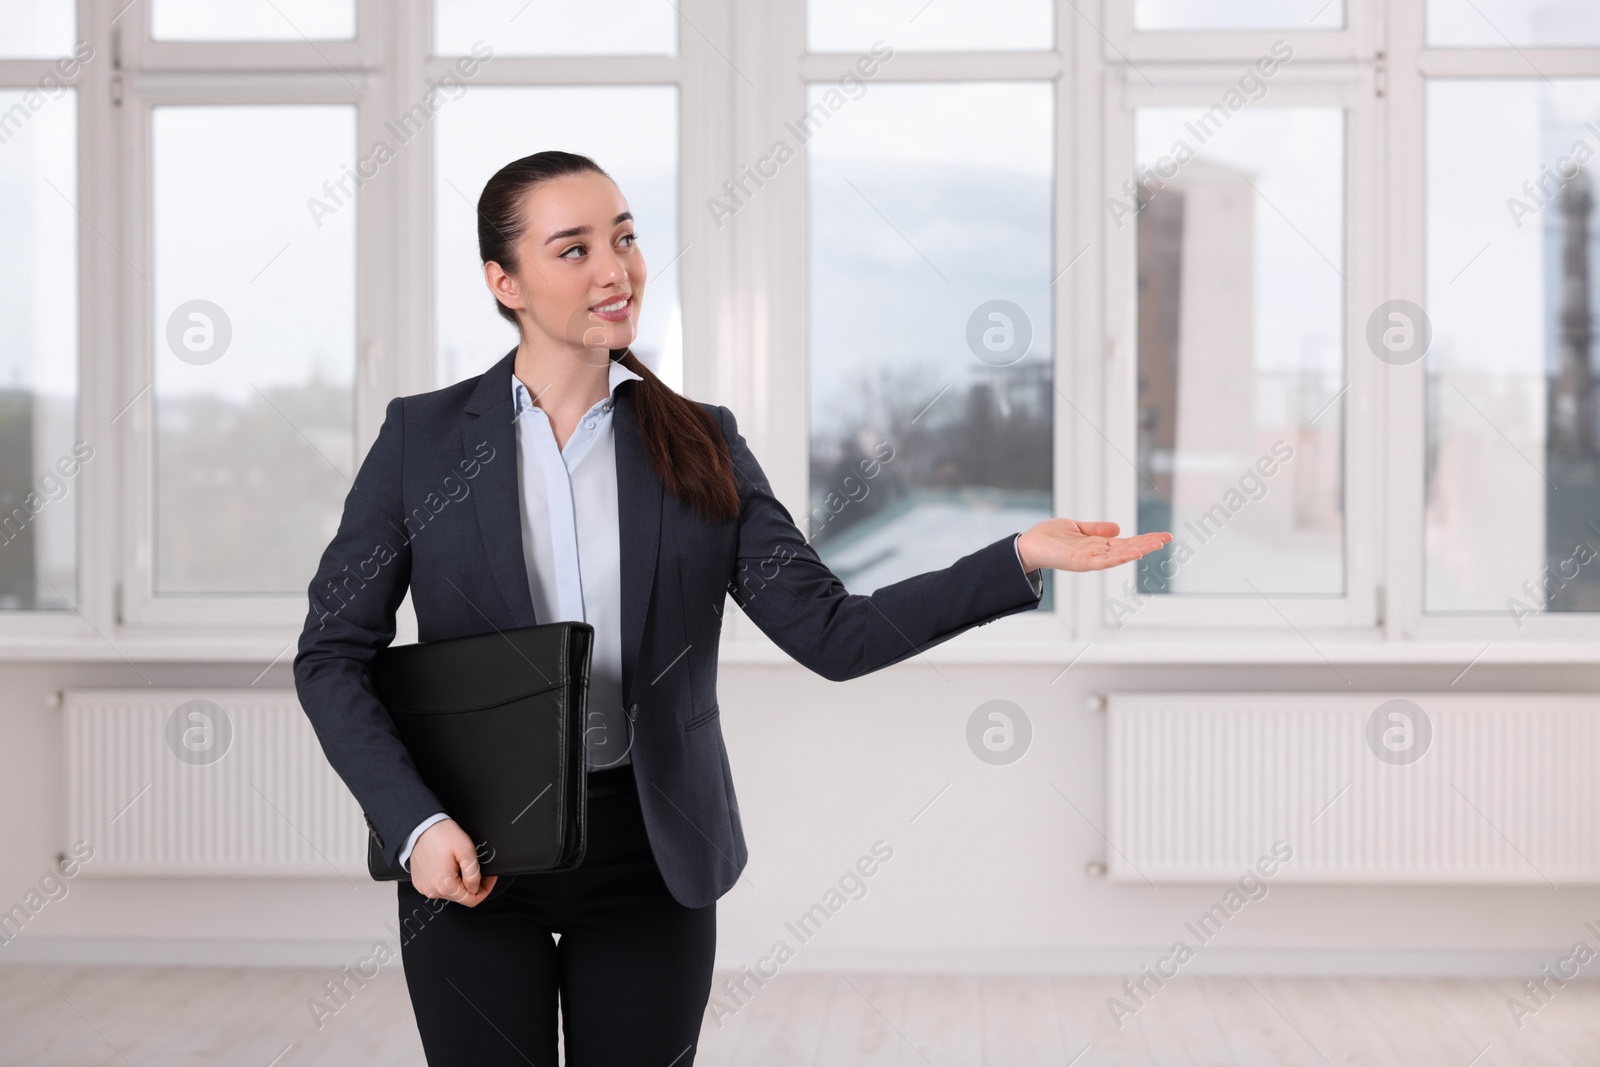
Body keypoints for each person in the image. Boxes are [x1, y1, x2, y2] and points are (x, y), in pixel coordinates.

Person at [292, 150, 1173, 1066]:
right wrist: (415, 824)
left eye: (625, 238)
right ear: (503, 281)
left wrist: (1017, 558)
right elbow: (330, 654)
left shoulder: (699, 441)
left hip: (651, 852)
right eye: (574, 248)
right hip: (466, 844)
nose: (615, 269)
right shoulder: (422, 441)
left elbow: (836, 633)